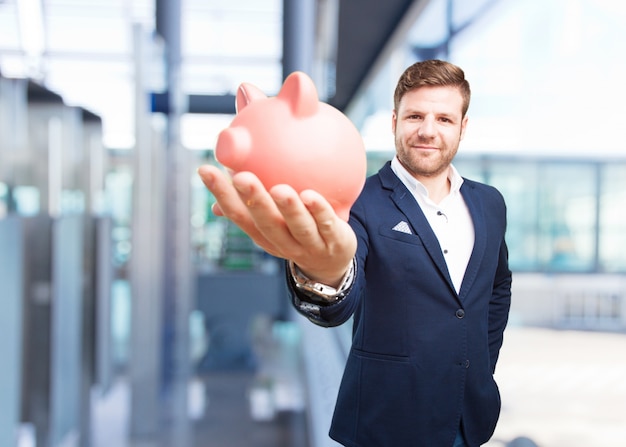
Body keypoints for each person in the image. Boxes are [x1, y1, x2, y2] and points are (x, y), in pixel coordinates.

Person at [197, 59, 512, 447]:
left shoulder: (490, 203)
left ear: (462, 127)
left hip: (469, 420)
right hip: (387, 421)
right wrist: (320, 271)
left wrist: (481, 367)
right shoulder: (357, 200)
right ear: (395, 120)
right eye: (415, 116)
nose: (428, 131)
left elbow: (497, 288)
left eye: (444, 119)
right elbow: (341, 295)